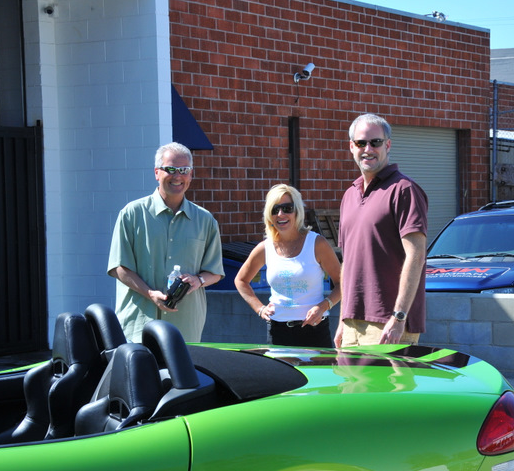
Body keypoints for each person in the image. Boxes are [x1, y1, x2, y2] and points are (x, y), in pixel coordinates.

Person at [107, 142, 224, 343]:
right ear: (156, 173)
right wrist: (150, 293)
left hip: (186, 325)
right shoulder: (132, 214)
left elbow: (215, 272)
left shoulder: (205, 220)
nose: (177, 176)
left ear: (191, 175)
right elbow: (119, 268)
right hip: (139, 322)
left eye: (184, 170)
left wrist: (198, 280)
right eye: (170, 169)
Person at [334, 113, 429, 348]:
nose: (368, 149)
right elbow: (347, 264)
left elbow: (416, 256)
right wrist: (342, 320)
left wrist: (399, 317)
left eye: (375, 142)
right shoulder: (349, 195)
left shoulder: (404, 190)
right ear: (351, 147)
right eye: (361, 143)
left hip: (388, 325)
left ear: (387, 145)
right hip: (352, 325)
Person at [235, 184, 341, 347]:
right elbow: (241, 280)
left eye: (287, 208)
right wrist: (259, 308)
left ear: (297, 211)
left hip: (314, 331)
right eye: (274, 209)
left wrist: (323, 306)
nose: (280, 214)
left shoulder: (317, 243)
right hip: (278, 332)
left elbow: (343, 283)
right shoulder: (265, 247)